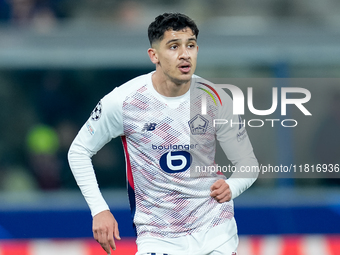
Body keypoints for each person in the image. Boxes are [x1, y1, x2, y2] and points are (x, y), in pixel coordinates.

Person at [68, 13, 258, 255]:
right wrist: (99, 210)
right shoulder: (124, 101)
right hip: (158, 236)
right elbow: (79, 151)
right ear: (154, 55)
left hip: (214, 230)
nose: (184, 54)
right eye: (173, 46)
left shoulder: (216, 98)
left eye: (190, 45)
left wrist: (233, 186)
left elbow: (248, 164)